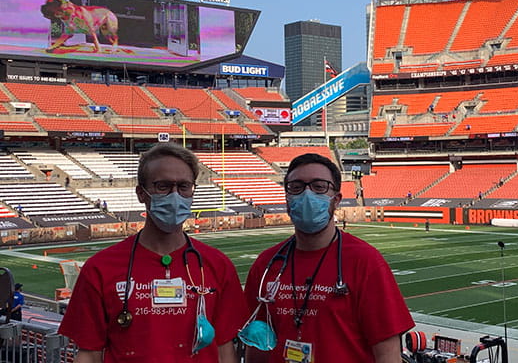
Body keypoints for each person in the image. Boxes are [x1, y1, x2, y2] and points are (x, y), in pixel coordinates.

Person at [58, 143, 247, 362]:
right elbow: (89, 354)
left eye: (184, 186)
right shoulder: (100, 269)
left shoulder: (218, 265)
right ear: (141, 193)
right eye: (163, 186)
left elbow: (224, 348)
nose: (175, 195)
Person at [242, 153, 414, 362]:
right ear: (287, 198)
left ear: (336, 199)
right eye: (296, 187)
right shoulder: (266, 265)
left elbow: (388, 354)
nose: (307, 194)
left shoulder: (366, 262)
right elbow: (256, 348)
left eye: (319, 186)